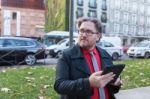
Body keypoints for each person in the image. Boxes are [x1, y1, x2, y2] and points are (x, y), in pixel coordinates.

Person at [54, 17, 122, 99]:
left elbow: (109, 86)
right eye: (81, 31)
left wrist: (116, 82)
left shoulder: (105, 54)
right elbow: (60, 86)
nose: (83, 35)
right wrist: (88, 83)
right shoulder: (66, 55)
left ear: (98, 36)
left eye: (88, 32)